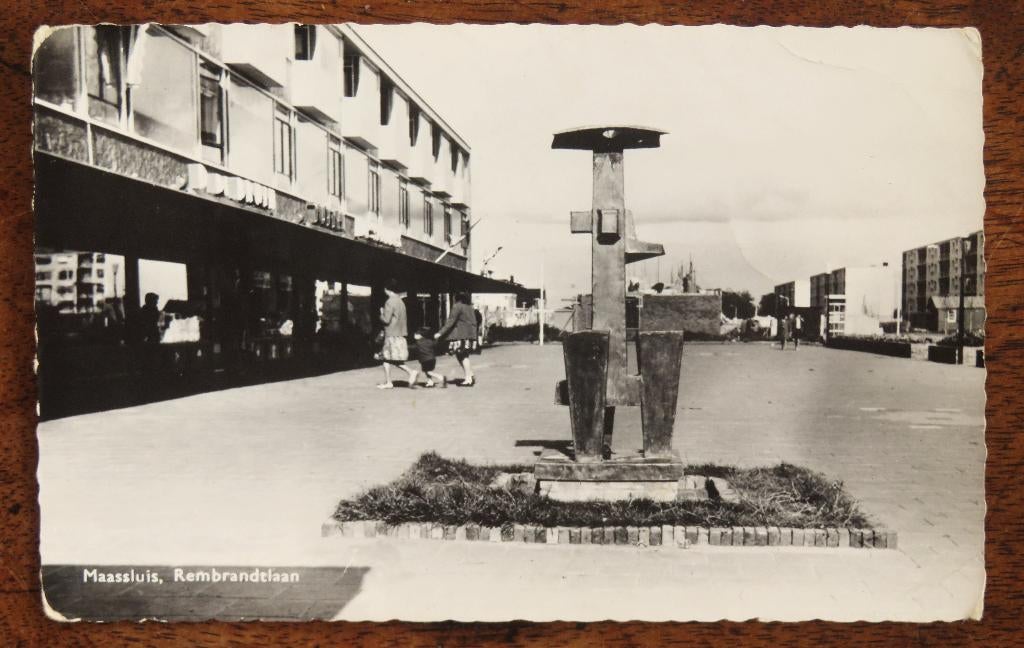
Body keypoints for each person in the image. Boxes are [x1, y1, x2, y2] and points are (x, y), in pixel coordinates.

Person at [377, 279, 417, 389]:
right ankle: (391, 381)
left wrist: (381, 313)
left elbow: (386, 320)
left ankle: (406, 374)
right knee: (391, 358)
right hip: (400, 333)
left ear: (386, 289)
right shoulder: (401, 302)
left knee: (387, 358)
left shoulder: (389, 302)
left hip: (391, 334)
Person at [436, 291, 478, 386]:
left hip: (460, 334)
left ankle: (468, 378)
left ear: (456, 297)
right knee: (461, 355)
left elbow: (450, 321)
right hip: (470, 334)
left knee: (462, 356)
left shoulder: (457, 306)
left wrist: (440, 333)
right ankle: (470, 374)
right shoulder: (469, 307)